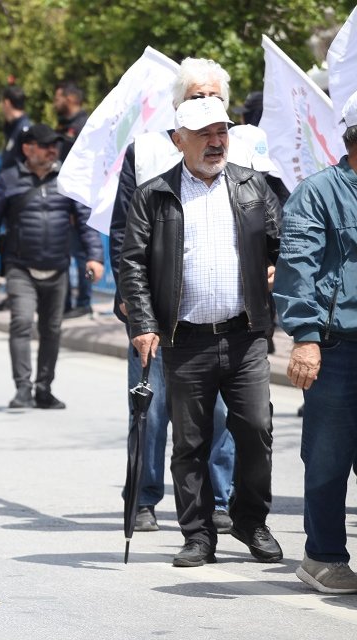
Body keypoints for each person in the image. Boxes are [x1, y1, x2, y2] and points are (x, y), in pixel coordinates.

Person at [118, 96, 283, 568]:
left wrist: (276, 265)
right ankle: (197, 535)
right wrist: (144, 324)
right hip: (184, 339)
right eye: (205, 134)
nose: (216, 142)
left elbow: (283, 241)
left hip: (245, 333)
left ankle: (251, 521)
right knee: (190, 443)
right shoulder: (153, 194)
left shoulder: (253, 186)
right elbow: (132, 263)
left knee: (255, 427)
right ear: (179, 140)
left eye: (222, 132)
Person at [108, 58, 249, 535]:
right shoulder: (146, 152)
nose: (208, 111)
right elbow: (121, 233)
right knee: (151, 412)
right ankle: (144, 498)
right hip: (157, 314)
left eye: (215, 99)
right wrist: (132, 299)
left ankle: (221, 497)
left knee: (221, 415)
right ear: (177, 109)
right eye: (196, 98)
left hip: (222, 317)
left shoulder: (241, 152)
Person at [272, 95, 357, 594]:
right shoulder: (317, 193)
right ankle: (323, 556)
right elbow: (298, 269)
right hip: (337, 348)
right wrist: (305, 338)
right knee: (328, 457)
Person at [0, 124, 103, 410]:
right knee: (20, 322)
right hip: (21, 267)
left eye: (54, 145)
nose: (52, 150)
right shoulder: (8, 180)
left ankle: (44, 388)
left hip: (57, 267)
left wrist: (95, 256)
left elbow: (85, 220)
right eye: (45, 145)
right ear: (27, 149)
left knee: (52, 329)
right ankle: (23, 388)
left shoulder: (67, 180)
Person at [54, 80, 94, 319]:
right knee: (66, 252)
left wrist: (75, 204)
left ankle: (84, 301)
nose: (54, 102)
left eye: (58, 97)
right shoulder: (64, 125)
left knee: (82, 252)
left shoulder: (83, 125)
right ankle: (66, 302)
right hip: (64, 196)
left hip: (79, 197)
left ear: (69, 98)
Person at [0, 85, 30, 171]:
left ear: (7, 103)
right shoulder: (12, 127)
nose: (1, 107)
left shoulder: (24, 129)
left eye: (2, 103)